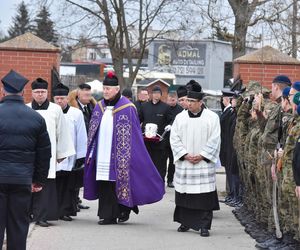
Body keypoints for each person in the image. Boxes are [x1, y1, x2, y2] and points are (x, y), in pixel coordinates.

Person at [84, 71, 165, 225]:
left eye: (109, 89)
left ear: (117, 89)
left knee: (120, 183)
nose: (105, 91)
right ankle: (107, 215)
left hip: (121, 155)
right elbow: (93, 132)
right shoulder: (99, 107)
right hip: (102, 154)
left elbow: (134, 135)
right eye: (104, 88)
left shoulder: (127, 108)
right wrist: (91, 152)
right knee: (105, 184)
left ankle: (123, 209)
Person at [0, 70, 51, 250]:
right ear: (23, 92)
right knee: (18, 225)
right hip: (22, 179)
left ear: (3, 90)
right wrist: (38, 180)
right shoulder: (36, 118)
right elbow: (44, 153)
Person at [170, 80, 221, 237]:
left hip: (202, 163)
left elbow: (215, 139)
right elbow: (174, 138)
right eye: (188, 101)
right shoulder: (180, 118)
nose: (189, 104)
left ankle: (204, 225)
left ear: (200, 101)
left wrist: (203, 155)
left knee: (204, 196)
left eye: (193, 101)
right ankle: (185, 222)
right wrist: (184, 154)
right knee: (185, 194)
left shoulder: (212, 118)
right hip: (185, 162)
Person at [28, 78, 75, 227]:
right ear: (32, 93)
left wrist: (61, 153)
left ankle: (42, 216)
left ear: (47, 92)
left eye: (42, 92)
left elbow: (62, 132)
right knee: (29, 183)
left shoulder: (55, 109)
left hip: (49, 152)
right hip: (30, 153)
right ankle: (29, 213)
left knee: (46, 184)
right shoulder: (27, 108)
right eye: (37, 92)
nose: (40, 94)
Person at [53, 83, 88, 221]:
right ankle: (54, 211)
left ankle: (66, 211)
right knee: (54, 186)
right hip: (53, 157)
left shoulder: (76, 113)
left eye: (62, 98)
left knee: (69, 186)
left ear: (68, 98)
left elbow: (81, 135)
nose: (60, 101)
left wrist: (81, 155)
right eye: (57, 98)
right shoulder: (51, 112)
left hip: (70, 157)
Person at [68, 82, 96, 210]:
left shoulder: (90, 107)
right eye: (85, 95)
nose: (88, 97)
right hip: (75, 144)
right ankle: (72, 201)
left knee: (80, 173)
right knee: (73, 174)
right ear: (78, 93)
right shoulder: (73, 108)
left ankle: (76, 199)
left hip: (88, 144)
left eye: (89, 95)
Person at [139, 85, 173, 181]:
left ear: (161, 95)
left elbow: (171, 120)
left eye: (158, 93)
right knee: (146, 161)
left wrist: (170, 125)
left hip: (159, 141)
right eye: (154, 93)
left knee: (159, 163)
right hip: (146, 140)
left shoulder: (165, 107)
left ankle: (159, 181)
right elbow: (139, 119)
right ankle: (146, 180)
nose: (156, 95)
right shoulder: (145, 106)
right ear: (151, 94)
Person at [166, 91, 183, 188]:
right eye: (169, 100)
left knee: (173, 161)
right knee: (162, 161)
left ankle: (170, 180)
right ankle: (161, 179)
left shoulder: (180, 110)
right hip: (165, 138)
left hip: (175, 140)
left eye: (173, 100)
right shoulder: (165, 108)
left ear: (176, 99)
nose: (171, 102)